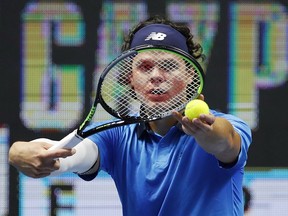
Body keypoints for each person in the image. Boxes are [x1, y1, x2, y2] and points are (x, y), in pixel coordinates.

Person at [9, 15, 252, 215]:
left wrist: (210, 136)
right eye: (145, 67)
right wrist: (20, 152)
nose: (156, 75)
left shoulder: (231, 125)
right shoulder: (116, 137)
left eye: (169, 65)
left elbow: (227, 142)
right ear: (130, 78)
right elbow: (72, 156)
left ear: (190, 74)